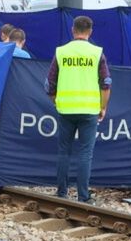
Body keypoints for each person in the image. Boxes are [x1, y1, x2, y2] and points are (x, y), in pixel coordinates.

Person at [46, 16, 111, 203]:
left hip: (65, 109)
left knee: (64, 151)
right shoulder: (97, 53)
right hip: (89, 110)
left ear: (73, 30)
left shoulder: (61, 52)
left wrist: (56, 101)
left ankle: (61, 192)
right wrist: (102, 107)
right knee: (85, 153)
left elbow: (49, 83)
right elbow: (106, 84)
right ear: (90, 32)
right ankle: (83, 196)